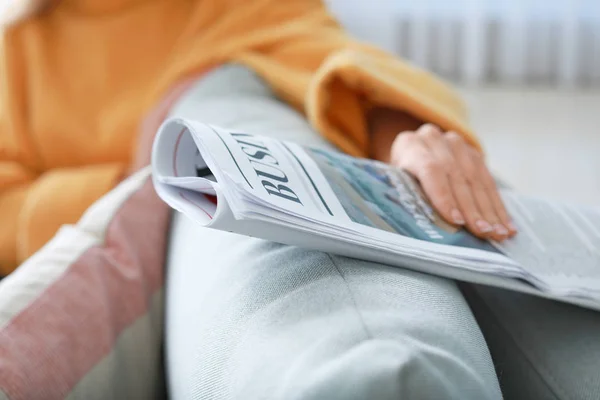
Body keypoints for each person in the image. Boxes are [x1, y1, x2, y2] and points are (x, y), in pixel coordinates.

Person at [2, 1, 599, 399]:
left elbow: (329, 65)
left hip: (284, 164)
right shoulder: (17, 51)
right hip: (177, 241)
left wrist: (411, 142)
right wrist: (147, 183)